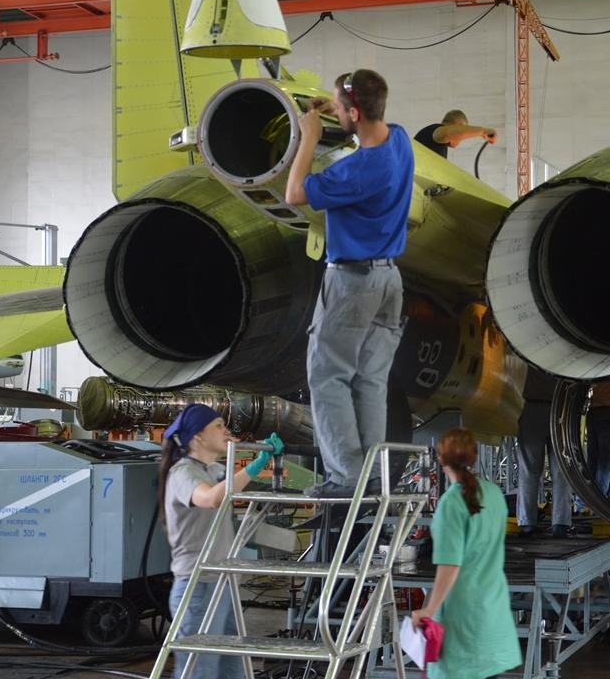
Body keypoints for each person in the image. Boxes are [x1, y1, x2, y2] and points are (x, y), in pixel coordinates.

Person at [285, 69, 414, 498]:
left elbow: (295, 193)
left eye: (340, 109)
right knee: (370, 380)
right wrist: (335, 107)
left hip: (353, 283)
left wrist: (308, 136)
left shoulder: (357, 171)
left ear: (355, 113)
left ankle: (344, 477)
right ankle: (373, 475)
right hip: (389, 280)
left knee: (327, 376)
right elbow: (365, 124)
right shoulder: (400, 141)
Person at [157, 403, 283, 679]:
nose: (226, 431)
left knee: (232, 671)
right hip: (198, 585)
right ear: (197, 437)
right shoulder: (183, 473)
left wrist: (262, 458)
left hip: (223, 583)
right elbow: (211, 498)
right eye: (218, 426)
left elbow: (229, 484)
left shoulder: (213, 469)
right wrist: (256, 464)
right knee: (199, 672)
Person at [411, 428, 521, 679]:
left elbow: (450, 566)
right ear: (473, 456)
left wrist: (429, 609)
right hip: (493, 608)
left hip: (463, 615)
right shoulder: (494, 493)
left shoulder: (451, 503)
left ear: (440, 459)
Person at [515, 371, 573, 538]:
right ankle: (560, 524)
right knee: (562, 471)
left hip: (532, 407)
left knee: (529, 471)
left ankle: (527, 523)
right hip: (560, 409)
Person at [586, 381, 610, 496]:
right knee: (604, 466)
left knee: (592, 464)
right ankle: (598, 503)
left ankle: (585, 501)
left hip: (594, 412)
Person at [413, 110, 497, 159]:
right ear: (445, 123)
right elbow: (448, 133)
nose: (461, 135)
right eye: (459, 128)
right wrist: (483, 132)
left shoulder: (439, 145)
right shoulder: (434, 130)